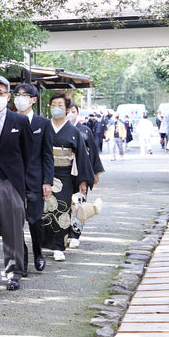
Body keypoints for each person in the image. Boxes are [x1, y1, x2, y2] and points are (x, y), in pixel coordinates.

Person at [0, 75, 49, 297]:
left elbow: (28, 153)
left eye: (0, 93)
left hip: (12, 182)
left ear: (8, 96)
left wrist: (18, 179)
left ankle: (13, 274)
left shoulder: (20, 122)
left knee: (13, 230)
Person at [43, 91, 94, 263]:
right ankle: (46, 244)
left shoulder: (73, 131)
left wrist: (82, 181)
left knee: (62, 210)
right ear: (49, 107)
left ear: (66, 110)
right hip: (45, 174)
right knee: (45, 210)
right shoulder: (44, 127)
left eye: (60, 105)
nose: (56, 108)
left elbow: (81, 158)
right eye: (53, 105)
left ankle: (59, 247)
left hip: (65, 174)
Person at [12, 83, 53, 273]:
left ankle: (38, 252)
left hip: (36, 180)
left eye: (24, 95)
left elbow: (47, 155)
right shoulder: (9, 121)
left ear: (33, 100)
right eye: (17, 94)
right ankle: (24, 256)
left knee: (35, 219)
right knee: (15, 221)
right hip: (13, 180)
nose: (20, 98)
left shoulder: (43, 124)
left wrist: (47, 181)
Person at [67, 102, 102, 250]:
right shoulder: (56, 130)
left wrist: (95, 172)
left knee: (78, 203)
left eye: (73, 111)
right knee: (63, 205)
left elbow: (92, 152)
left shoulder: (85, 130)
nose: (70, 113)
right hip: (63, 171)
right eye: (68, 110)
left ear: (78, 112)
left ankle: (75, 235)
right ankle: (63, 234)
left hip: (82, 170)